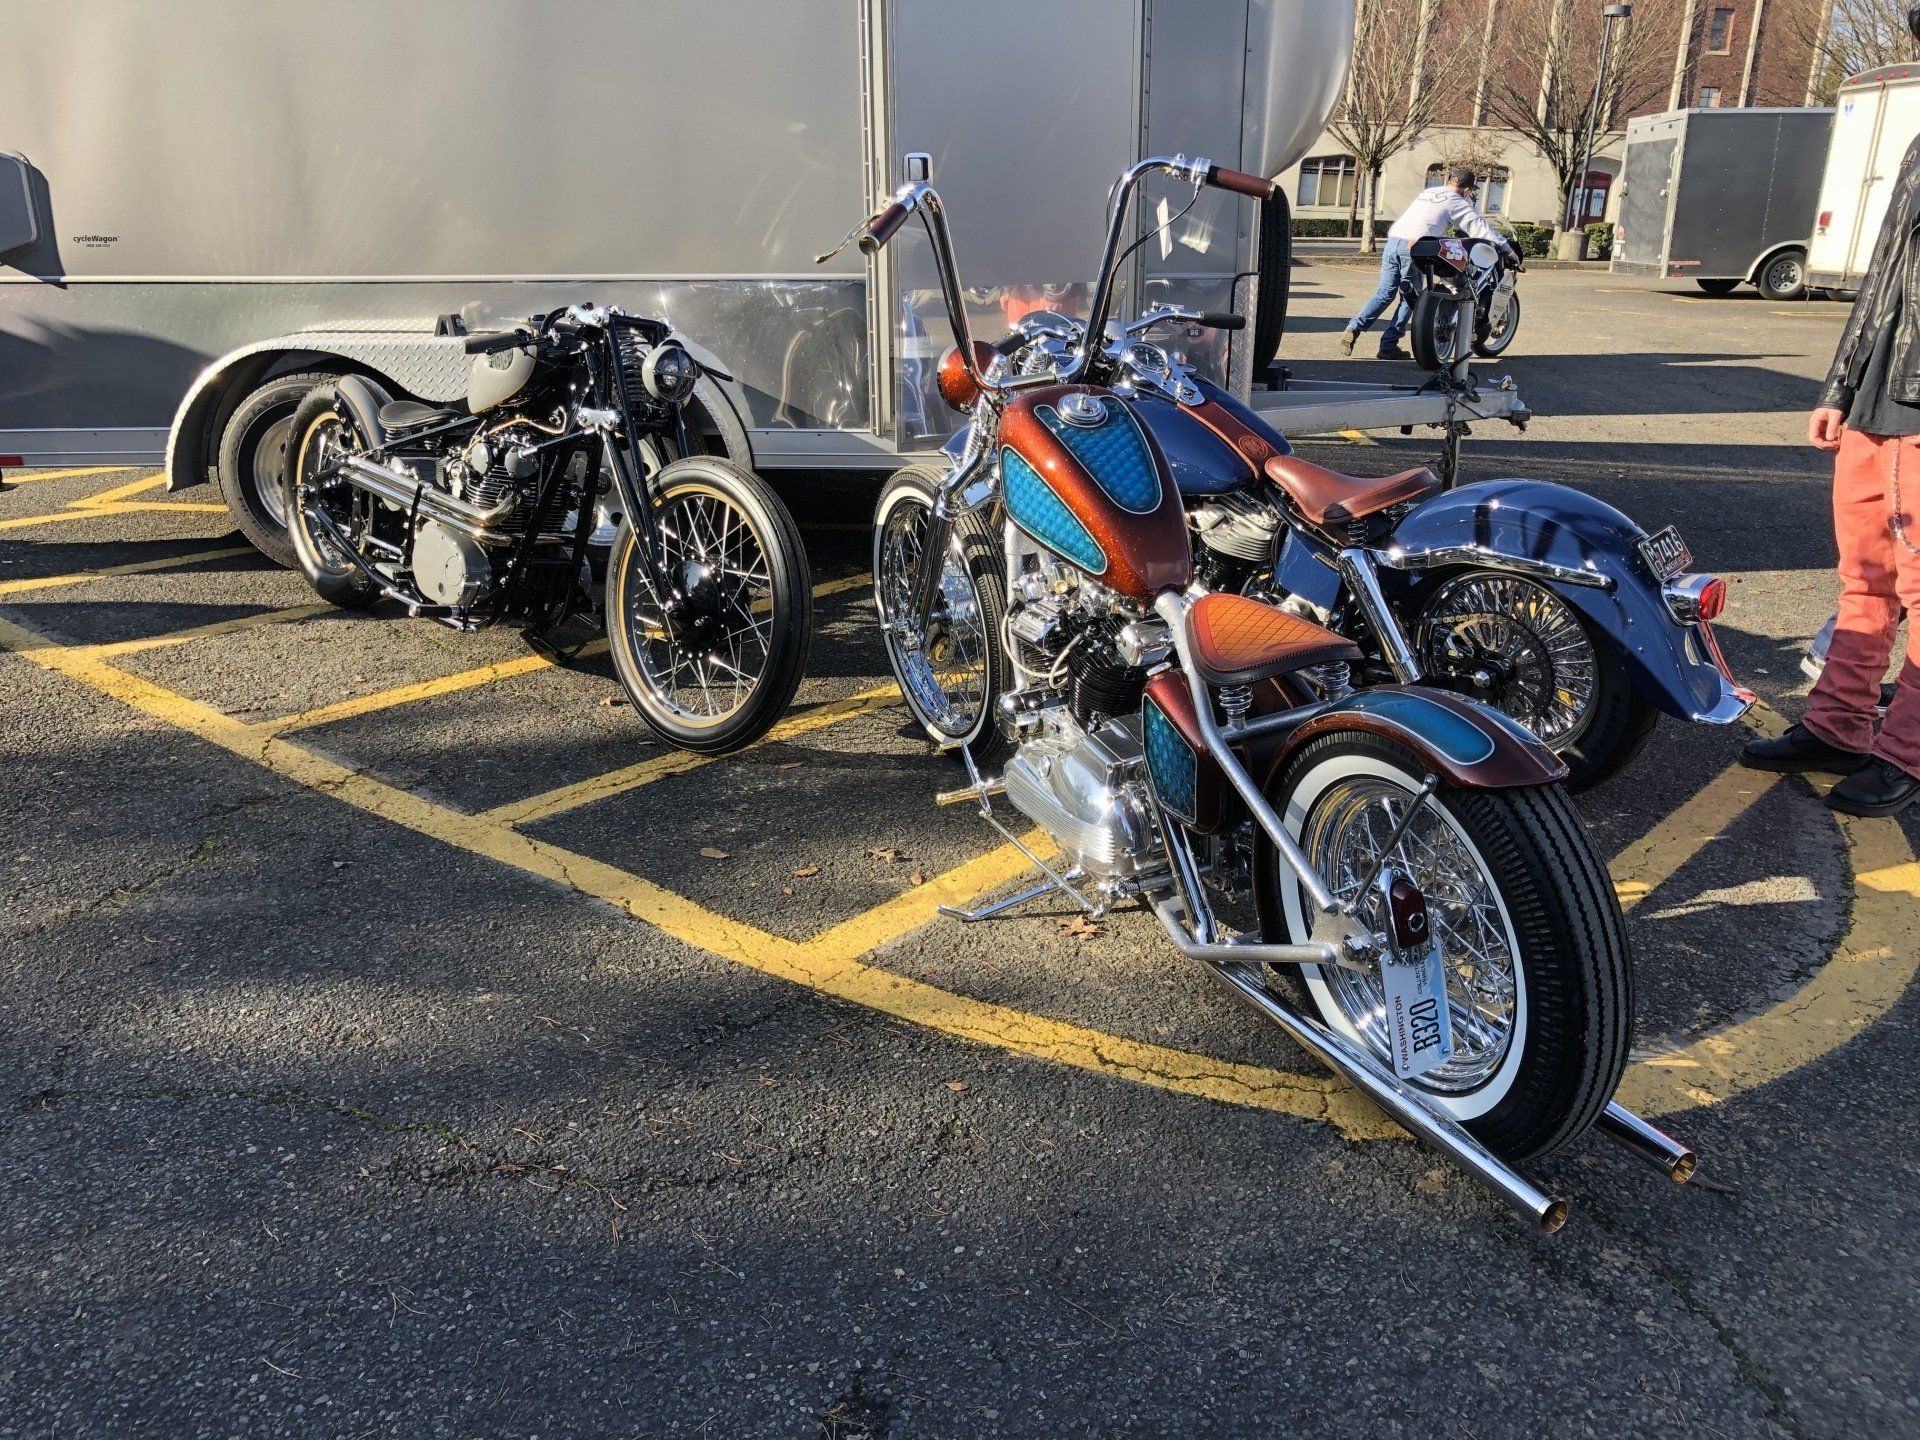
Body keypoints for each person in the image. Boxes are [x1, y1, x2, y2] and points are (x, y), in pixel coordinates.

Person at [1740, 8, 1920, 817]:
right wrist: (1840, 387)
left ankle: (1907, 753)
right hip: (1883, 395)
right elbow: (1885, 278)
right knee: (1864, 578)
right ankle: (1840, 724)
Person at [1341, 167, 1517, 360]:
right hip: (1414, 246)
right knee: (1411, 298)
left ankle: (1354, 328)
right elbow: (1479, 228)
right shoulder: (1456, 201)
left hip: (1393, 242)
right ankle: (1389, 345)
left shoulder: (1428, 193)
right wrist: (1507, 249)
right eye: (1470, 191)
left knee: (1384, 293)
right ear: (1466, 189)